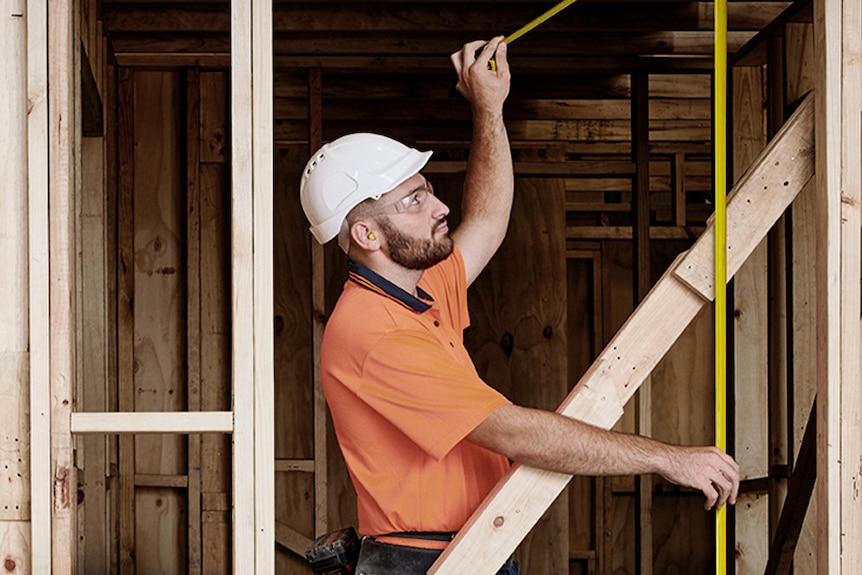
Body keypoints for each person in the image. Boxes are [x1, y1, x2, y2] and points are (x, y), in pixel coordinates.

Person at [299, 36, 739, 575]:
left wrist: (488, 108)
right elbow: (512, 431)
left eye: (428, 189)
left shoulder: (418, 290)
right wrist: (664, 458)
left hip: (464, 548)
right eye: (413, 201)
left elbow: (485, 220)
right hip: (422, 563)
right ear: (366, 232)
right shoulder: (374, 331)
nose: (440, 206)